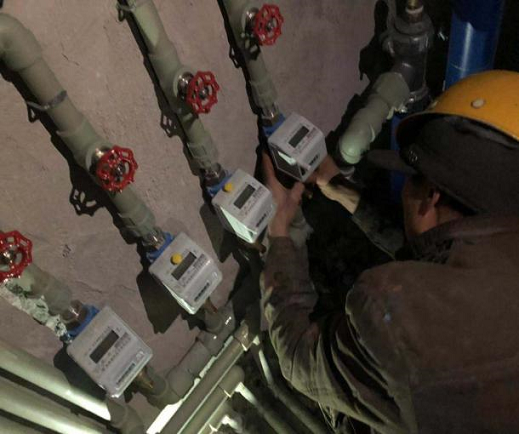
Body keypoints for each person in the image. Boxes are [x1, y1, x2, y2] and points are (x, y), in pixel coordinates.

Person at [261, 70, 519, 434]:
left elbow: (299, 358)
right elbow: (455, 255)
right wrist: (344, 192)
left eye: (411, 179)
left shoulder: (397, 318)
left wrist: (278, 237)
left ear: (431, 197)